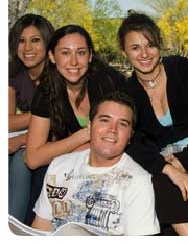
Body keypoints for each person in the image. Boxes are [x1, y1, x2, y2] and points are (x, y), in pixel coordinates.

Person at [118, 12, 188, 236]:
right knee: (158, 187)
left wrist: (183, 161)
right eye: (135, 48)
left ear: (159, 45)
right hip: (166, 159)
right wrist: (169, 168)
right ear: (125, 52)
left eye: (150, 45)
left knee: (164, 189)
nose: (144, 54)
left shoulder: (180, 68)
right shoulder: (128, 92)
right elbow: (135, 144)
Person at [24, 24, 128, 225]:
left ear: (90, 56)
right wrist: (82, 137)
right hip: (75, 163)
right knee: (45, 176)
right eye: (65, 53)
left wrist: (78, 148)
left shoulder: (108, 81)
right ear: (52, 57)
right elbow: (33, 158)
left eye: (80, 53)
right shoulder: (47, 91)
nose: (73, 62)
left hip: (116, 157)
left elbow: (122, 136)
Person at [32, 91, 160, 235]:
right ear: (90, 126)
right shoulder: (59, 166)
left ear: (130, 136)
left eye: (123, 124)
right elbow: (40, 227)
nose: (112, 129)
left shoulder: (138, 181)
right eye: (105, 120)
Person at [8, 14, 55, 222]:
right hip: (32, 134)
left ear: (47, 42)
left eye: (35, 40)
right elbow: (7, 122)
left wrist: (20, 140)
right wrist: (40, 115)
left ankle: (14, 226)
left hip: (55, 140)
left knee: (21, 159)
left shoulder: (59, 74)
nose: (27, 48)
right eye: (21, 40)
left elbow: (60, 125)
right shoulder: (13, 75)